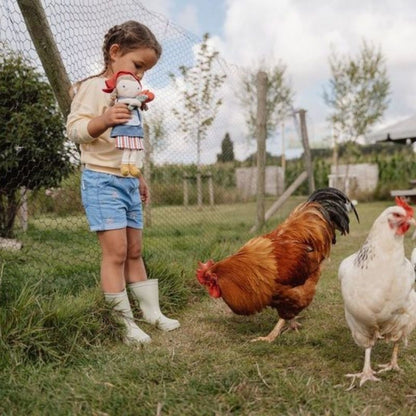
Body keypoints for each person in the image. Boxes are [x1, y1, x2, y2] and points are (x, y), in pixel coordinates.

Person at [66, 20, 180, 345]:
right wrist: (103, 119)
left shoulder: (130, 95)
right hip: (101, 181)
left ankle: (151, 313)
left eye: (146, 70)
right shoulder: (93, 88)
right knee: (115, 252)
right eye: (138, 65)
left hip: (127, 181)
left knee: (135, 250)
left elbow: (126, 143)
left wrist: (139, 176)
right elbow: (74, 130)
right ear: (115, 53)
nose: (141, 75)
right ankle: (124, 322)